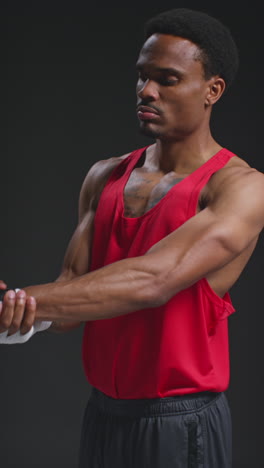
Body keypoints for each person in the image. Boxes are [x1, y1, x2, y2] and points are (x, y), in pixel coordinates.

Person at [1, 7, 263, 468]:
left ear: (212, 90)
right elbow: (68, 301)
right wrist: (18, 314)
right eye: (142, 77)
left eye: (168, 78)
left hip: (179, 421)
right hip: (102, 412)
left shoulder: (241, 188)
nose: (147, 90)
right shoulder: (105, 175)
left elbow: (153, 281)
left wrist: (30, 300)